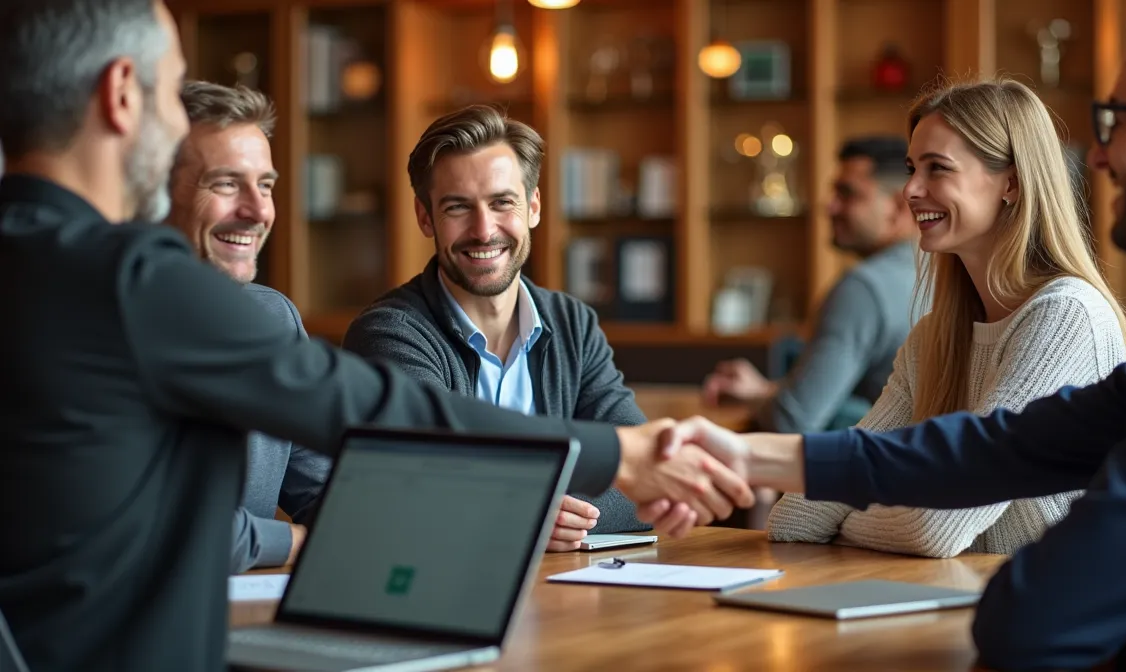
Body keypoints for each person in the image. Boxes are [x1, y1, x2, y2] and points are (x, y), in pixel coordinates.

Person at [0, 2, 751, 671]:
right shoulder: (131, 279)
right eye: (171, 91)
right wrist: (619, 453)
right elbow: (375, 412)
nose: (173, 124)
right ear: (123, 93)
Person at [659, 1, 1126, 669]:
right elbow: (990, 449)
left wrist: (849, 507)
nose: (1101, 153)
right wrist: (746, 458)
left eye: (1117, 121)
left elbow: (1027, 614)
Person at [766, 80, 1126, 558]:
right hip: (971, 600)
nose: (910, 191)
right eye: (910, 169)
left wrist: (850, 523)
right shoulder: (935, 336)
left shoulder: (1065, 316)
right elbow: (795, 516)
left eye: (937, 169)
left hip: (1067, 619)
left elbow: (932, 527)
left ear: (1012, 183)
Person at [343, 105, 648, 551]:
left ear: (534, 207)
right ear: (425, 217)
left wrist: (536, 512)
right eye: (458, 207)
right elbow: (427, 489)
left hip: (568, 593)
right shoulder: (391, 334)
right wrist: (527, 513)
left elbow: (643, 476)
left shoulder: (572, 324)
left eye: (502, 202)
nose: (484, 230)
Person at [164, 79, 327, 572]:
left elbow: (323, 487)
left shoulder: (272, 318)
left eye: (266, 185)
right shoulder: (103, 324)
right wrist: (297, 541)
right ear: (157, 190)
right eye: (226, 183)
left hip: (246, 618)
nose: (258, 212)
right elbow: (174, 529)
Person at [701, 137, 919, 433]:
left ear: (896, 205)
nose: (829, 206)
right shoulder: (938, 273)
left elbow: (793, 420)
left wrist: (764, 398)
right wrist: (769, 391)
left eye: (847, 194)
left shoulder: (864, 289)